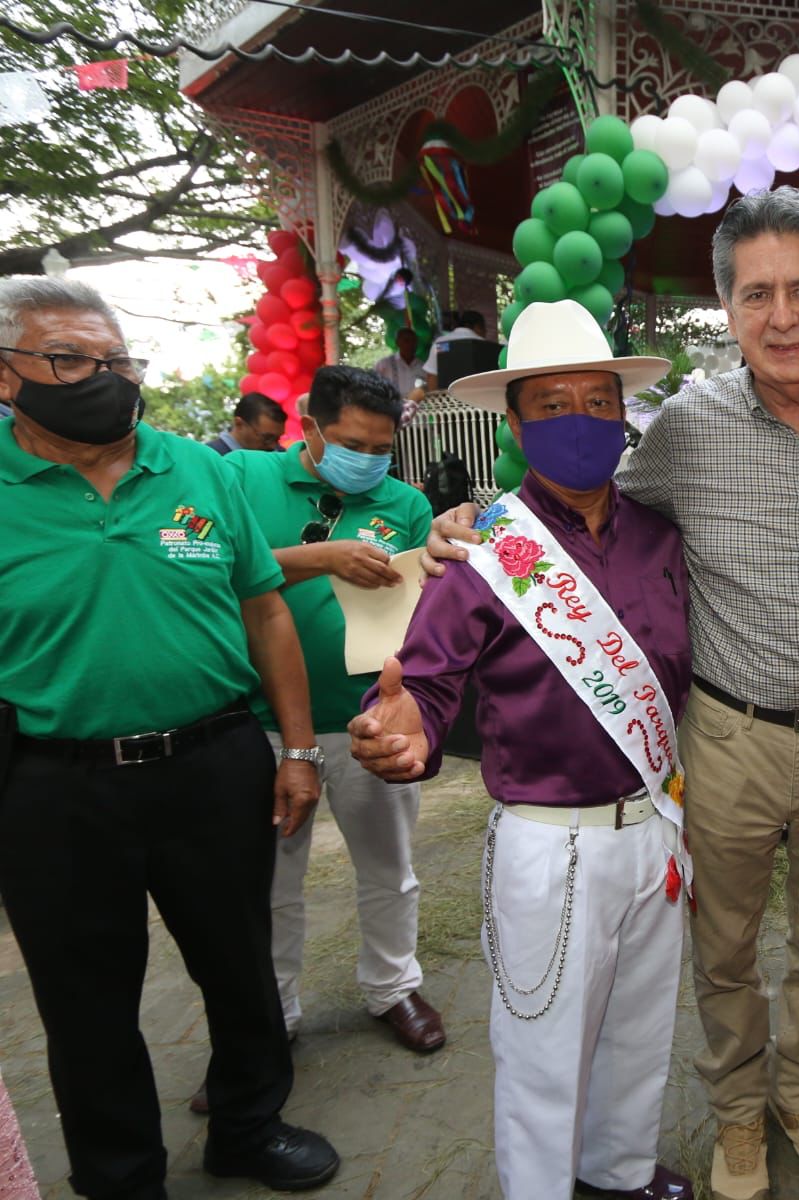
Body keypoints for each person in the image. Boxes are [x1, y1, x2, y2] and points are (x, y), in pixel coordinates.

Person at [421, 187, 799, 1200]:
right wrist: (476, 524)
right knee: (720, 945)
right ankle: (736, 1117)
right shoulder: (682, 430)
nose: (784, 316)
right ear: (728, 308)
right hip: (725, 736)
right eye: (757, 295)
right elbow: (582, 517)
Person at [0, 277, 339, 1195]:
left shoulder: (200, 470)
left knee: (240, 964)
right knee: (85, 1001)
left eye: (116, 361)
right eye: (69, 360)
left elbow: (265, 610)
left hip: (213, 761)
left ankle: (248, 1124)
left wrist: (300, 751)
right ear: (5, 376)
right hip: (50, 787)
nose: (102, 380)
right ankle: (120, 1173)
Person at [348, 299, 692, 1200]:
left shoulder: (663, 536)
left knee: (640, 1027)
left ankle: (616, 1172)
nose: (578, 420)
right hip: (550, 842)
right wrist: (405, 725)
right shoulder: (484, 550)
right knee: (543, 1049)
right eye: (551, 405)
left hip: (655, 825)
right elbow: (425, 682)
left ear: (623, 416)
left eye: (597, 401)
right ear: (515, 423)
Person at [224, 365, 442, 1056]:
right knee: (271, 879)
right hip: (259, 720)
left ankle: (392, 987)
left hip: (365, 719)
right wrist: (322, 557)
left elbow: (417, 605)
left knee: (389, 865)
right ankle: (274, 1014)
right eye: (354, 443)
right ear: (309, 425)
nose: (369, 462)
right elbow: (216, 572)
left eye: (382, 449)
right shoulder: (244, 481)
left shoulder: (404, 503)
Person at [419, 309, 488, 391]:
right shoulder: (485, 345)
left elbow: (431, 377)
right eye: (485, 329)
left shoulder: (440, 344)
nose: (485, 333)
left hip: (447, 401)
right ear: (478, 327)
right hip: (476, 400)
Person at [371, 326, 424, 425]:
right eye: (406, 340)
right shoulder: (384, 365)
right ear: (397, 342)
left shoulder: (423, 366)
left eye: (414, 341)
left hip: (419, 422)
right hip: (393, 421)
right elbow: (373, 389)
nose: (410, 344)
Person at [206, 390, 288, 454]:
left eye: (277, 439)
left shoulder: (281, 455)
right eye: (267, 438)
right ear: (239, 424)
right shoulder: (209, 458)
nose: (273, 446)